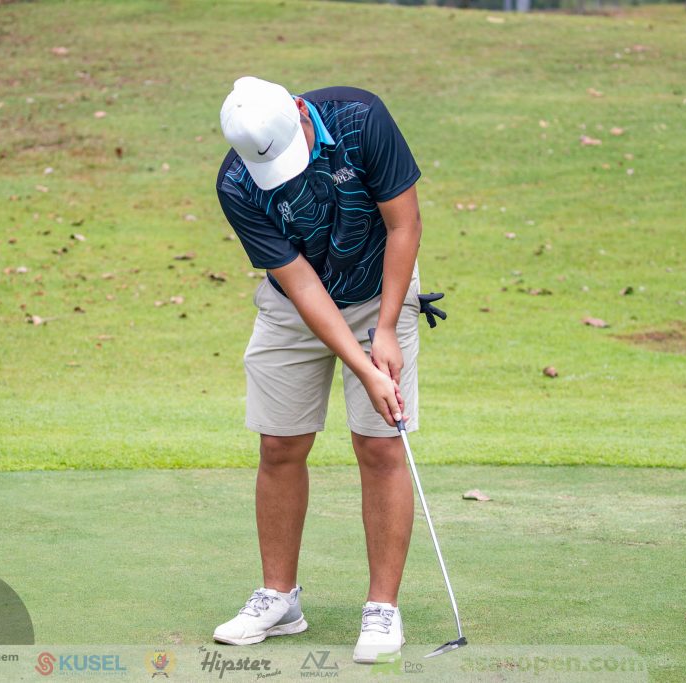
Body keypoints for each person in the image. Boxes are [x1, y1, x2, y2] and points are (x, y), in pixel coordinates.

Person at [212, 76, 427, 664]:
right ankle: (279, 599)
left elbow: (404, 225)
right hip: (295, 305)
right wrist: (362, 366)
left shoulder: (361, 118)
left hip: (380, 289)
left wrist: (387, 329)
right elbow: (302, 285)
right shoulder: (236, 183)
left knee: (380, 444)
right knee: (279, 442)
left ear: (302, 113)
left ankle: (382, 608)